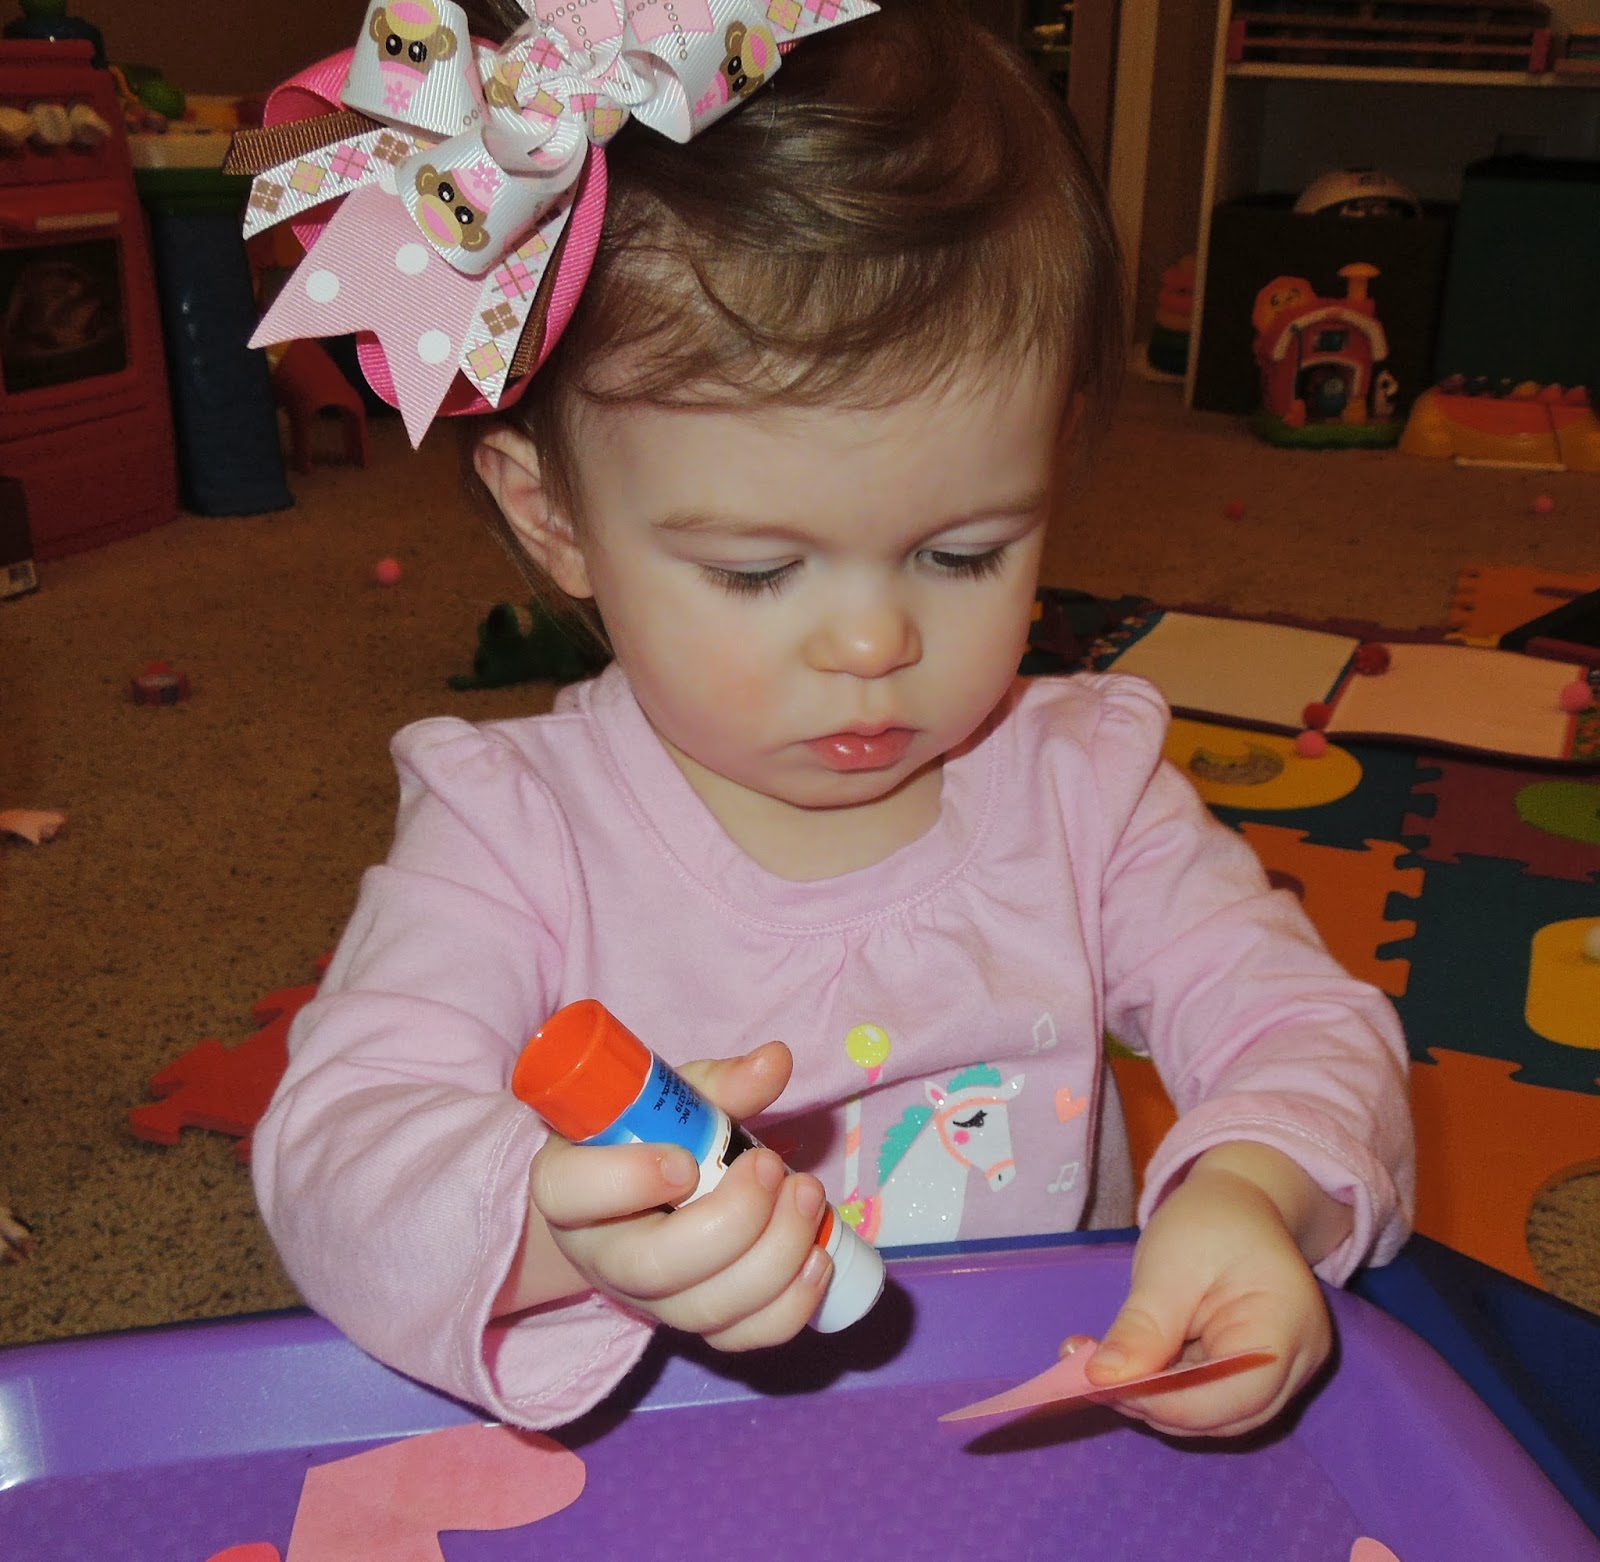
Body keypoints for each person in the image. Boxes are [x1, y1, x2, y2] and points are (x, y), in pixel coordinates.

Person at [252, 0, 1414, 1440]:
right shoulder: (510, 827)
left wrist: (1254, 1191)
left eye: (965, 551)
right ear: (554, 519)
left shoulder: (1086, 787)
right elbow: (336, 1150)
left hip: (1040, 1432)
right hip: (675, 1467)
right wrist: (555, 1229)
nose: (875, 646)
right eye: (757, 571)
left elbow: (1306, 1026)